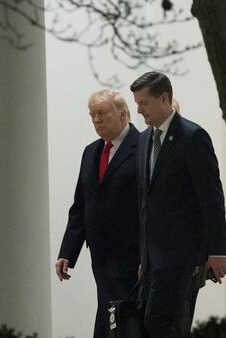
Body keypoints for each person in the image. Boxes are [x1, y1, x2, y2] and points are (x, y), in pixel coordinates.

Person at [130, 71, 226, 337]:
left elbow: (211, 197)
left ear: (164, 98)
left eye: (143, 103)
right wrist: (144, 256)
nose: (138, 110)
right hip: (153, 256)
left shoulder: (193, 137)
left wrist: (218, 250)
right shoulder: (143, 140)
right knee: (155, 323)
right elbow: (145, 202)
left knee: (160, 323)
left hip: (182, 254)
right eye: (136, 103)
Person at [55, 89, 140, 338]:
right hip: (101, 254)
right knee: (109, 311)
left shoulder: (143, 146)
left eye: (102, 113)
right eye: (92, 115)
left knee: (124, 315)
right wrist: (67, 252)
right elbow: (81, 205)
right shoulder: (91, 152)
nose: (96, 120)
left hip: (132, 253)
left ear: (123, 113)